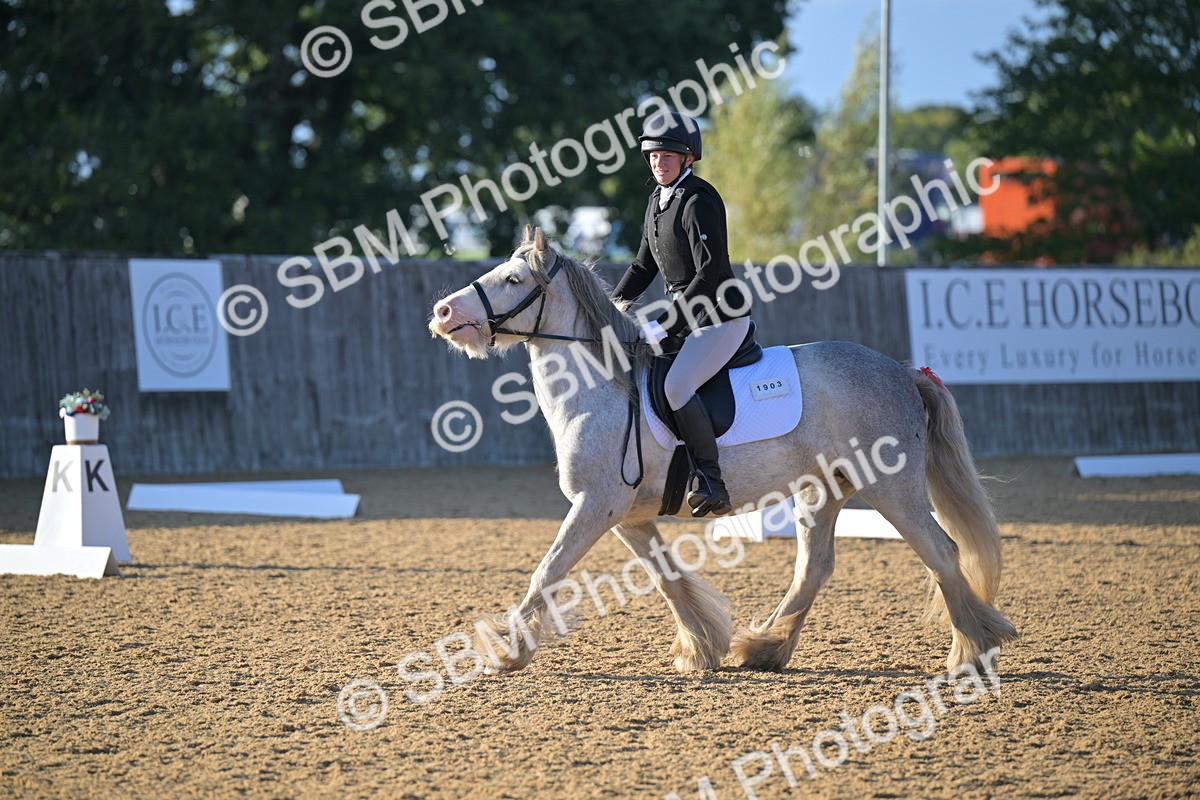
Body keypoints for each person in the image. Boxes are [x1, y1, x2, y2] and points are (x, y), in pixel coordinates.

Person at [612, 111, 752, 517]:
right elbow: (642, 266)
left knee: (676, 386)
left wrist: (663, 325)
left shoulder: (699, 200)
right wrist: (613, 310)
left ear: (689, 157)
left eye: (668, 155)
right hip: (685, 312)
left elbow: (708, 277)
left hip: (720, 314)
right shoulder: (657, 201)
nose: (659, 162)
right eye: (653, 155)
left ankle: (712, 481)